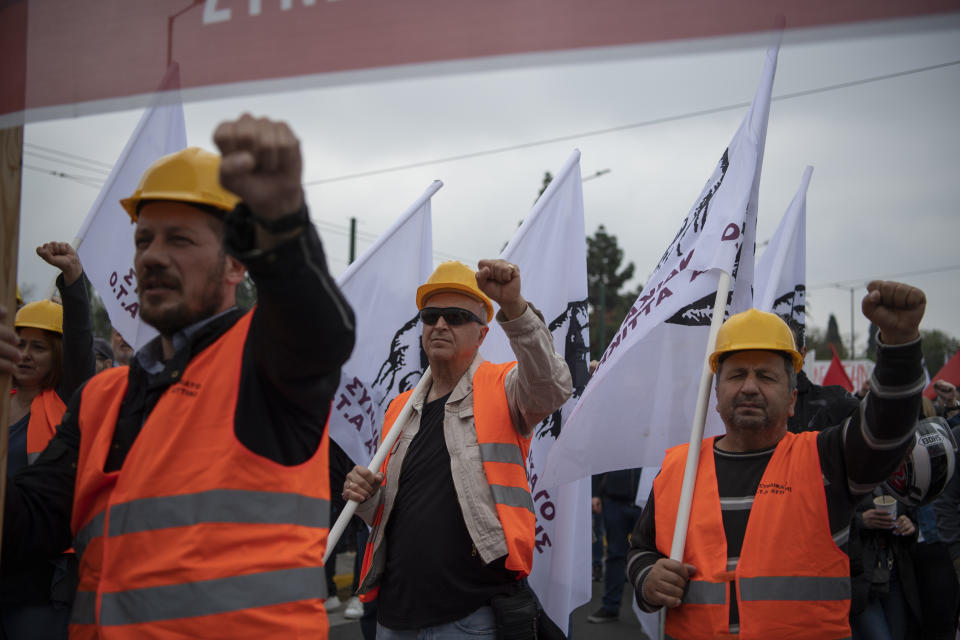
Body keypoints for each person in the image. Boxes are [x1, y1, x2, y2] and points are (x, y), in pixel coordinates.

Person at [0, 114, 356, 638]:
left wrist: (282, 224)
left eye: (180, 240)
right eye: (143, 240)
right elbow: (25, 525)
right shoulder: (102, 398)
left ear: (238, 264)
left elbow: (319, 329)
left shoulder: (264, 365)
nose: (152, 257)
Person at [627, 281, 927, 639]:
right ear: (717, 396)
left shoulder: (827, 459)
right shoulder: (680, 468)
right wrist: (648, 578)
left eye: (766, 376)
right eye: (737, 374)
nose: (750, 387)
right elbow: (641, 550)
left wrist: (900, 345)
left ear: (792, 399)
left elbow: (885, 433)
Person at [343, 260, 572, 639]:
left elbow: (551, 386)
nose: (440, 325)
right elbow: (389, 512)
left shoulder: (504, 385)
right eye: (431, 315)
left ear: (481, 335)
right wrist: (365, 496)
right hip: (396, 614)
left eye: (455, 316)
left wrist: (514, 308)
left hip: (470, 614)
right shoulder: (399, 409)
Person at [3, 242, 94, 639]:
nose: (25, 355)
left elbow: (79, 342)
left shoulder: (65, 400)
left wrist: (73, 282)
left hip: (42, 578)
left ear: (57, 355)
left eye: (38, 347)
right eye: (20, 343)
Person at [848, 490, 920, 639]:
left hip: (893, 572)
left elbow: (912, 519)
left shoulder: (897, 478)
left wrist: (908, 526)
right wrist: (861, 521)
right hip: (860, 575)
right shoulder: (848, 475)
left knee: (898, 634)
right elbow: (829, 520)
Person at [587, 467, 643, 623]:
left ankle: (652, 614)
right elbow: (601, 458)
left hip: (646, 500)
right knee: (615, 554)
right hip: (614, 500)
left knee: (651, 554)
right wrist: (595, 493)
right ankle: (610, 607)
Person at [784, 323, 859, 433]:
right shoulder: (751, 403)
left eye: (786, 350)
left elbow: (875, 428)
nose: (777, 358)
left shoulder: (835, 402)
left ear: (802, 353)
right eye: (770, 350)